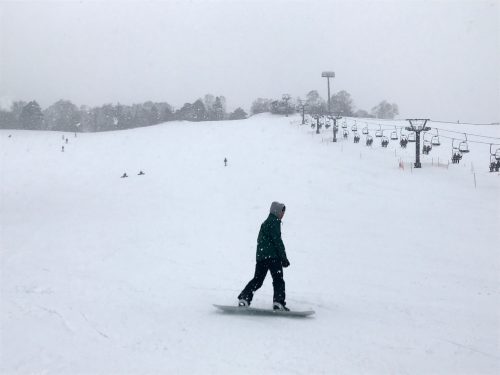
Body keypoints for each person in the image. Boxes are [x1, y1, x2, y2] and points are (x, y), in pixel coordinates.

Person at [238, 201, 290, 311]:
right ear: (276, 212)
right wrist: (284, 258)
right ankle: (278, 302)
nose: (283, 214)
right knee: (278, 279)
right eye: (282, 212)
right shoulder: (274, 222)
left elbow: (259, 241)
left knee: (258, 280)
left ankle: (244, 298)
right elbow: (277, 241)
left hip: (262, 258)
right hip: (273, 258)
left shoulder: (265, 223)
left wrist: (261, 256)